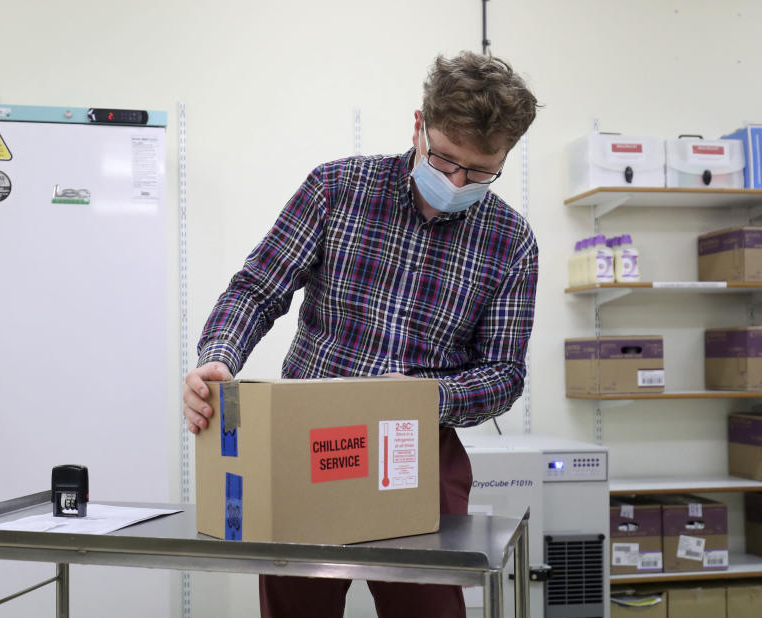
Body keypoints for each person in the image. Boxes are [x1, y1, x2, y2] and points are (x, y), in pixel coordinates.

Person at [183, 50, 540, 618]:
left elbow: (503, 374)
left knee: (428, 611)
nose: (456, 181)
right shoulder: (337, 189)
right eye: (445, 159)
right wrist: (219, 359)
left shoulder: (509, 241)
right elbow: (256, 289)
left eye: (479, 171)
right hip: (306, 442)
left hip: (419, 452)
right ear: (419, 126)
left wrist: (424, 397)